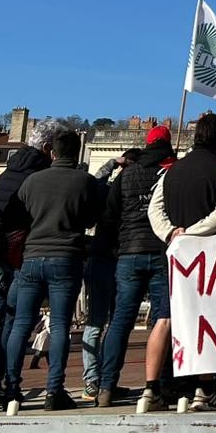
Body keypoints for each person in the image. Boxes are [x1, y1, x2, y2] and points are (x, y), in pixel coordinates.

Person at [2, 129, 105, 411]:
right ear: (78, 151)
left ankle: (11, 389)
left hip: (32, 256)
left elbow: (16, 219)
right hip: (66, 255)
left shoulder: (31, 181)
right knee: (60, 325)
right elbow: (92, 218)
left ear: (53, 152)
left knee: (21, 324)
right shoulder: (86, 182)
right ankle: (53, 390)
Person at [150, 112, 216, 411]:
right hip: (208, 254)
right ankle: (205, 389)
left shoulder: (171, 170)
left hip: (176, 253)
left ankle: (149, 390)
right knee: (209, 321)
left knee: (164, 318)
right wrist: (192, 234)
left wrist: (171, 235)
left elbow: (155, 209)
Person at [0, 117, 59, 406]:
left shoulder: (8, 171)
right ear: (48, 148)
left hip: (0, 248)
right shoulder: (39, 175)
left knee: (1, 312)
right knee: (16, 319)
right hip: (22, 251)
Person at [98, 125, 176, 410]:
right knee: (163, 320)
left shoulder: (127, 173)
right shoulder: (173, 171)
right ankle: (160, 385)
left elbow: (109, 215)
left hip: (129, 251)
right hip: (162, 251)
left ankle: (106, 385)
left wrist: (116, 247)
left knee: (120, 320)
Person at [80, 147, 136, 399]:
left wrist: (112, 163)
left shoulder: (103, 191)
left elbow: (94, 181)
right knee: (116, 325)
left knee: (95, 322)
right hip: (120, 259)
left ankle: (93, 380)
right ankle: (105, 381)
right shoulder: (133, 196)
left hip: (99, 257)